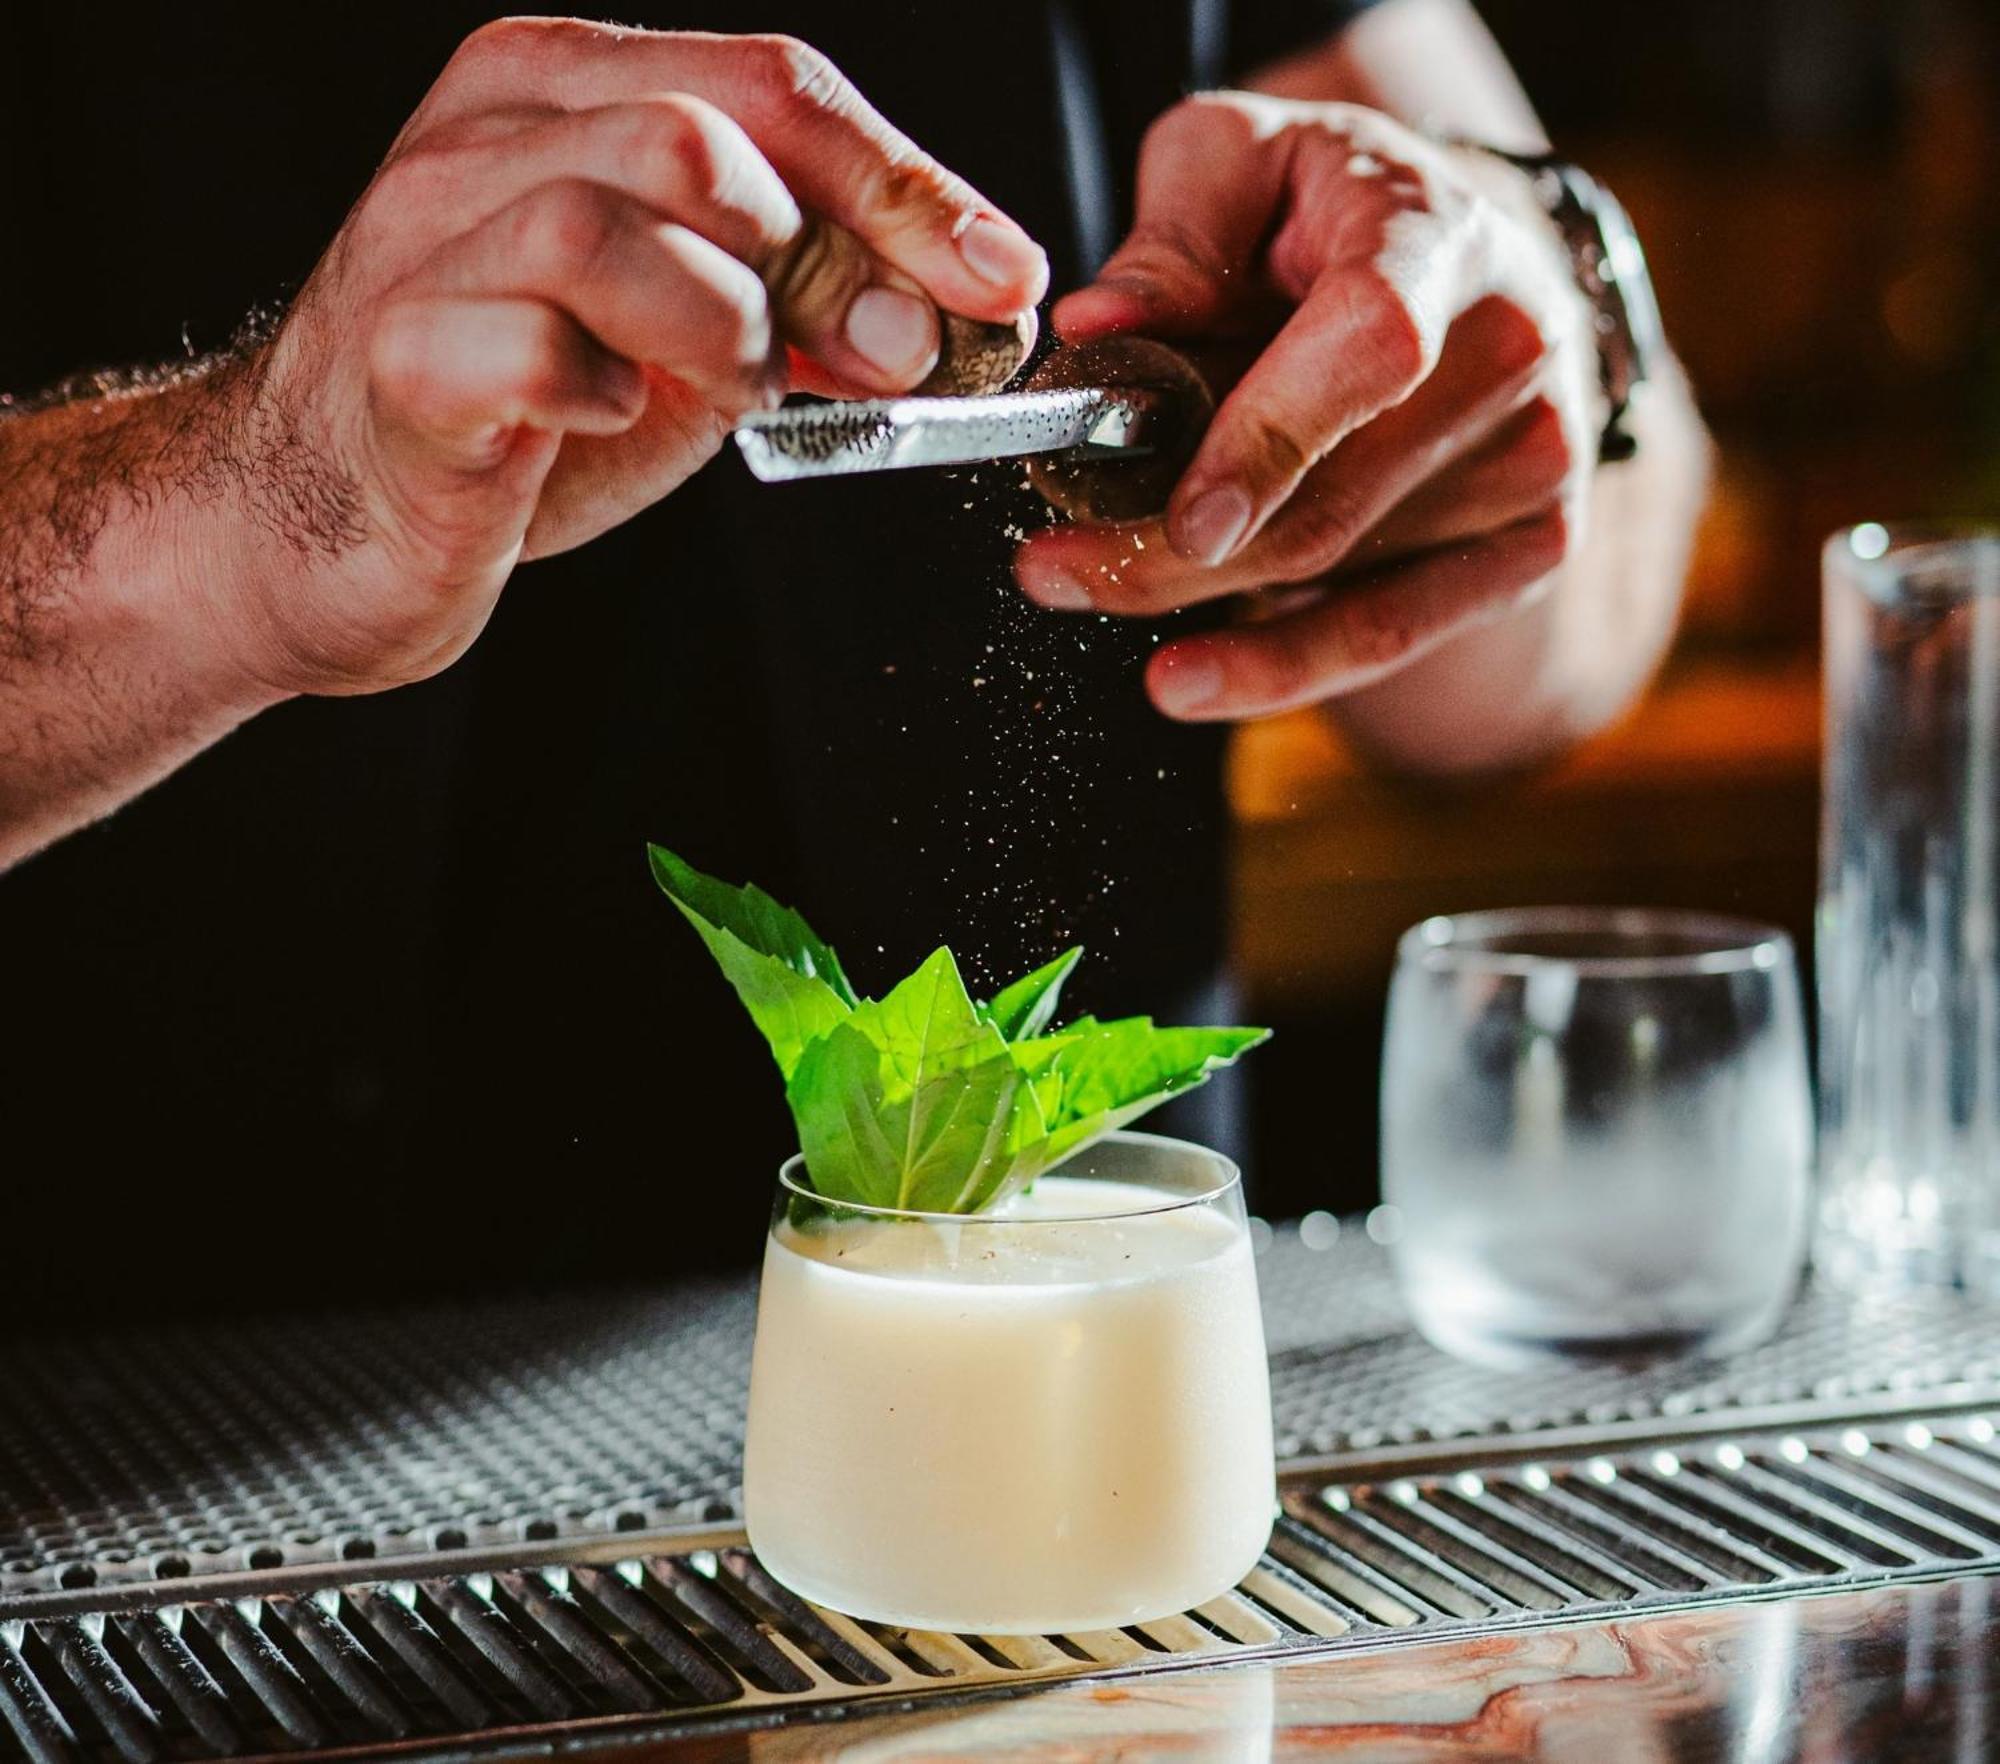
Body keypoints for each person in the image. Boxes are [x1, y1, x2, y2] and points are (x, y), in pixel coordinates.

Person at [0, 2, 1704, 1312]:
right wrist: (239, 503)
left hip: (1066, 1424)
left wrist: (1525, 333)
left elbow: (1577, 635)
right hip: (147, 1440)